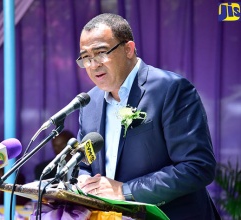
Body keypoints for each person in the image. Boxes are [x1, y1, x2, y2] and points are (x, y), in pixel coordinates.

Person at [76, 13, 220, 219]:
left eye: (100, 52)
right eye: (86, 57)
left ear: (128, 49)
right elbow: (85, 165)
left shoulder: (170, 89)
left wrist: (125, 191)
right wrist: (83, 180)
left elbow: (197, 166)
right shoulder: (89, 102)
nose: (93, 64)